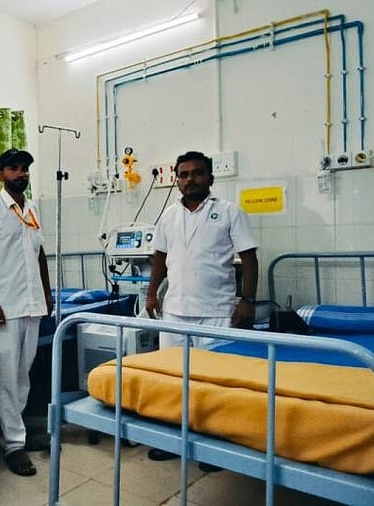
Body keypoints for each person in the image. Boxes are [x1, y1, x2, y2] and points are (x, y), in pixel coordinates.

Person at [144, 150, 258, 463]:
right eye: (183, 175)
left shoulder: (229, 211)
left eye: (196, 173)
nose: (189, 179)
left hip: (216, 311)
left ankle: (212, 445)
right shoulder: (168, 215)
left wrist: (247, 301)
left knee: (215, 381)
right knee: (173, 378)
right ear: (176, 180)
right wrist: (152, 293)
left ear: (210, 177)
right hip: (176, 311)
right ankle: (173, 439)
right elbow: (159, 258)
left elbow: (249, 258)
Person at [0, 148, 54, 477]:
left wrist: (46, 295)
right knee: (7, 378)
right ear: (0, 174)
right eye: (13, 169)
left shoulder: (31, 209)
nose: (21, 174)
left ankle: (16, 433)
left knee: (22, 375)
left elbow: (40, 254)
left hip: (31, 305)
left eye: (24, 169)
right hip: (4, 307)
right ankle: (13, 445)